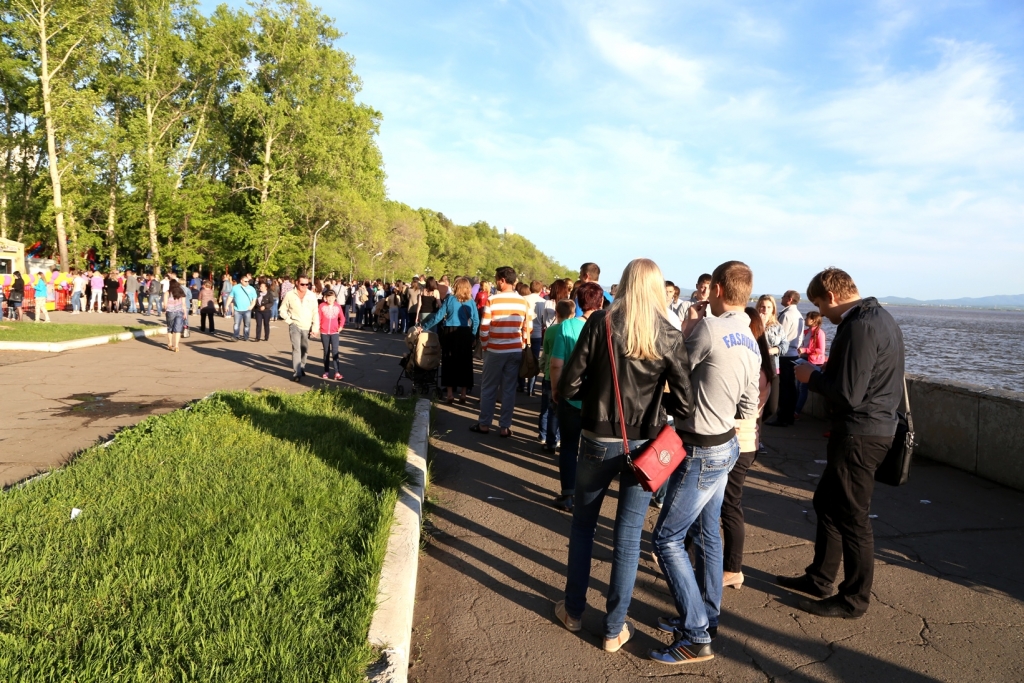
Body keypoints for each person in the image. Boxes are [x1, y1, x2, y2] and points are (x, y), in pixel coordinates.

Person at [554, 258, 693, 654]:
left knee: (583, 527)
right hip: (645, 445)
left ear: (625, 285)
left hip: (598, 436)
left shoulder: (601, 323)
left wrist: (598, 399)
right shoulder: (668, 333)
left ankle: (574, 611)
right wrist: (652, 403)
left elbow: (569, 385)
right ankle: (614, 629)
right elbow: (683, 404)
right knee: (628, 539)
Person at [649, 260, 760, 666]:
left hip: (699, 448)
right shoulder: (748, 337)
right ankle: (705, 618)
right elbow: (749, 404)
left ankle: (696, 634)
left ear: (715, 290)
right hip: (727, 443)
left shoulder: (711, 329)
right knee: (708, 533)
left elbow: (676, 370)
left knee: (666, 539)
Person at [778, 268, 905, 619]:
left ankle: (853, 599)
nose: (824, 314)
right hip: (871, 429)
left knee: (853, 516)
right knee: (828, 503)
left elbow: (847, 394)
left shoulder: (860, 326)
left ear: (831, 297)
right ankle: (819, 578)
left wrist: (811, 376)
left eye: (820, 304)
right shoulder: (881, 318)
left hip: (860, 433)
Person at [720, 308, 775, 592]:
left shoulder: (756, 369)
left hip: (740, 442)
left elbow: (742, 409)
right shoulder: (762, 365)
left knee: (730, 505)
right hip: (746, 441)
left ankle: (733, 568)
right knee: (720, 502)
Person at [549, 282, 604, 512]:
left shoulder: (567, 327)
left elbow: (555, 364)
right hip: (597, 397)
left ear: (579, 302)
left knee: (569, 446)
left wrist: (555, 390)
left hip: (571, 396)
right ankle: (588, 496)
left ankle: (568, 493)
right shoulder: (608, 327)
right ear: (600, 302)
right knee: (592, 448)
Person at [471, 266, 531, 437]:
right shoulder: (523, 302)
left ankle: (484, 423)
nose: (496, 282)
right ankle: (505, 426)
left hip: (495, 349)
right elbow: (527, 328)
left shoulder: (493, 300)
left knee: (489, 388)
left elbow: (484, 328)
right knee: (509, 389)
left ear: (502, 280)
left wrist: (485, 345)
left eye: (497, 279)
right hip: (514, 349)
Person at [419, 276, 480, 404]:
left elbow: (439, 316)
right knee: (465, 364)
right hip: (464, 333)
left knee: (449, 362)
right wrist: (473, 335)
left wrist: (423, 326)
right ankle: (463, 394)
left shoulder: (450, 299)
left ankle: (450, 394)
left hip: (450, 333)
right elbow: (476, 320)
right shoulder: (471, 301)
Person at [770, 290, 805, 427]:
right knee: (791, 387)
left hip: (784, 355)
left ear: (789, 299)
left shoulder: (786, 315)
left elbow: (779, 336)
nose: (782, 299)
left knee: (783, 388)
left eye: (784, 296)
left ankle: (782, 417)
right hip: (794, 354)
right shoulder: (799, 315)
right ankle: (789, 416)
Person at [278, 275, 320, 382]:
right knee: (296, 349)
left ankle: (302, 366)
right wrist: (289, 321)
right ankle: (297, 373)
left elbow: (315, 312)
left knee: (304, 348)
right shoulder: (290, 294)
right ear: (297, 283)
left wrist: (315, 328)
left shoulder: (311, 295)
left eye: (307, 284)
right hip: (294, 325)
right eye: (302, 284)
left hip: (307, 326)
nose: (305, 286)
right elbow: (282, 310)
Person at [757, 294, 786, 427]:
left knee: (772, 407)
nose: (765, 310)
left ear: (773, 309)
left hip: (773, 366)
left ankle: (756, 428)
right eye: (762, 307)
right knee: (755, 406)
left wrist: (772, 350)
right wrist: (761, 326)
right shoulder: (752, 325)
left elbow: (784, 346)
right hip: (757, 368)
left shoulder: (778, 327)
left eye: (769, 307)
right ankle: (757, 436)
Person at [795, 311, 827, 417]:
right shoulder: (808, 331)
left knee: (803, 388)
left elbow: (820, 350)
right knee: (798, 386)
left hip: (813, 363)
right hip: (805, 360)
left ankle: (796, 412)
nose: (805, 319)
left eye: (807, 317)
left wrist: (805, 350)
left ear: (813, 320)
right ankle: (795, 409)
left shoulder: (819, 333)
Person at [316, 288, 346, 380]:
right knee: (326, 352)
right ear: (325, 298)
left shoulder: (338, 306)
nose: (330, 299)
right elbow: (318, 318)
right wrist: (317, 328)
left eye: (332, 298)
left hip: (335, 332)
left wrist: (341, 326)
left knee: (335, 352)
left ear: (335, 298)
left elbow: (342, 318)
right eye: (329, 298)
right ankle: (326, 371)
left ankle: (337, 372)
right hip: (324, 332)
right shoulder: (321, 306)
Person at [230, 275, 257, 342]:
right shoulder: (235, 288)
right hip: (237, 309)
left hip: (247, 309)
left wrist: (252, 306)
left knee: (247, 324)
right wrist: (226, 305)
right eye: (245, 281)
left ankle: (246, 336)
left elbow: (254, 298)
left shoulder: (251, 288)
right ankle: (236, 336)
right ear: (241, 281)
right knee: (236, 324)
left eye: (248, 281)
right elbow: (230, 297)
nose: (247, 282)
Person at [164, 279, 187, 351]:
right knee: (178, 329)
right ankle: (176, 346)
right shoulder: (181, 292)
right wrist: (185, 313)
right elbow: (183, 304)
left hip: (170, 312)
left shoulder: (167, 293)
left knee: (170, 328)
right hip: (179, 311)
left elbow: (165, 305)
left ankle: (170, 343)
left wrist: (165, 310)